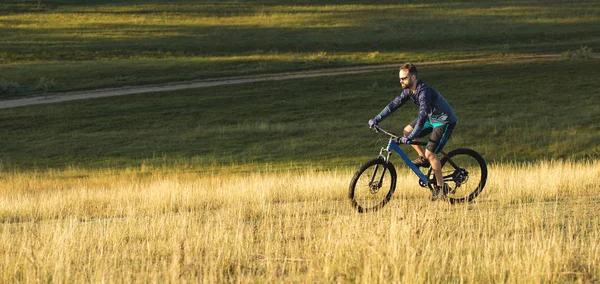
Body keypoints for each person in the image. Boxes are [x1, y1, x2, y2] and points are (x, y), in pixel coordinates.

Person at [368, 63, 457, 201]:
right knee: (407, 130)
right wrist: (377, 119)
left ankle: (441, 188)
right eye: (400, 79)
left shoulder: (424, 92)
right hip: (431, 118)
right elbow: (393, 105)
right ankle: (424, 159)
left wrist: (411, 137)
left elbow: (422, 116)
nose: (401, 81)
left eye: (403, 78)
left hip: (444, 120)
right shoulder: (409, 91)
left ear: (413, 77)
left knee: (431, 153)